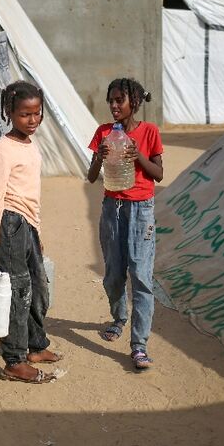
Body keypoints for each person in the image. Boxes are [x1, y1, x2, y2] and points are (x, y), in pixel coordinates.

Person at [0, 80, 62, 383]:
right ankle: (13, 360)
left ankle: (35, 345)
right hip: (8, 227)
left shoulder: (30, 144)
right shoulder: (1, 150)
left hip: (27, 226)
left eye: (37, 113)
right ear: (9, 113)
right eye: (25, 114)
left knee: (38, 287)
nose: (32, 120)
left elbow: (32, 194)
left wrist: (37, 233)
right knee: (17, 293)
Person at [87, 78, 164, 371]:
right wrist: (100, 158)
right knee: (114, 274)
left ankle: (139, 344)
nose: (114, 106)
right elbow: (93, 176)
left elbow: (158, 174)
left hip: (141, 210)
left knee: (141, 276)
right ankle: (119, 317)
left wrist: (138, 156)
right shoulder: (104, 132)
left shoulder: (150, 131)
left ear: (135, 102)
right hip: (112, 209)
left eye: (120, 100)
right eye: (111, 100)